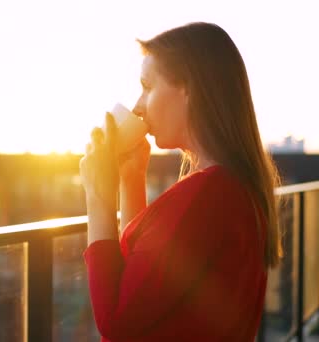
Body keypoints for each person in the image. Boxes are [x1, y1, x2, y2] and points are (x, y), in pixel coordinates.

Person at [79, 22, 282, 341]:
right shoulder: (232, 187)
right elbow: (144, 282)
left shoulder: (207, 195)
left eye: (147, 86)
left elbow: (117, 323)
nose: (137, 106)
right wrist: (131, 179)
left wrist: (97, 196)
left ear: (189, 87)